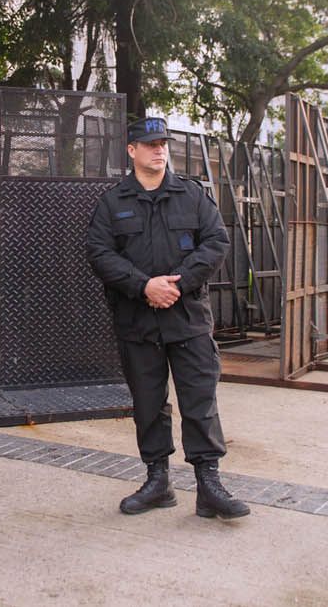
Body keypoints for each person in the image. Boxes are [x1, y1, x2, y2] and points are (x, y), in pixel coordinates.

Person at [84, 116, 250, 522]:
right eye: (150, 143)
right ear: (132, 151)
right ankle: (157, 481)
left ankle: (209, 485)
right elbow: (100, 253)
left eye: (163, 143)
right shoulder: (113, 202)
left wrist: (176, 284)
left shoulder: (191, 195)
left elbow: (216, 242)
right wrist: (144, 287)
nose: (159, 149)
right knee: (147, 403)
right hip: (138, 321)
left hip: (187, 318)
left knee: (200, 401)